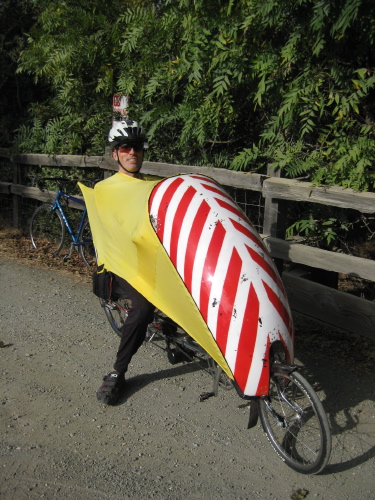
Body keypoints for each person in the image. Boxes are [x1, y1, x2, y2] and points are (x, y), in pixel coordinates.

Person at [96, 119, 157, 405]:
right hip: (122, 266)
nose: (133, 152)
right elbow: (106, 235)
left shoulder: (155, 187)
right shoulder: (105, 189)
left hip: (155, 262)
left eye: (138, 147)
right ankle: (117, 372)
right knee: (143, 307)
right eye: (126, 147)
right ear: (115, 154)